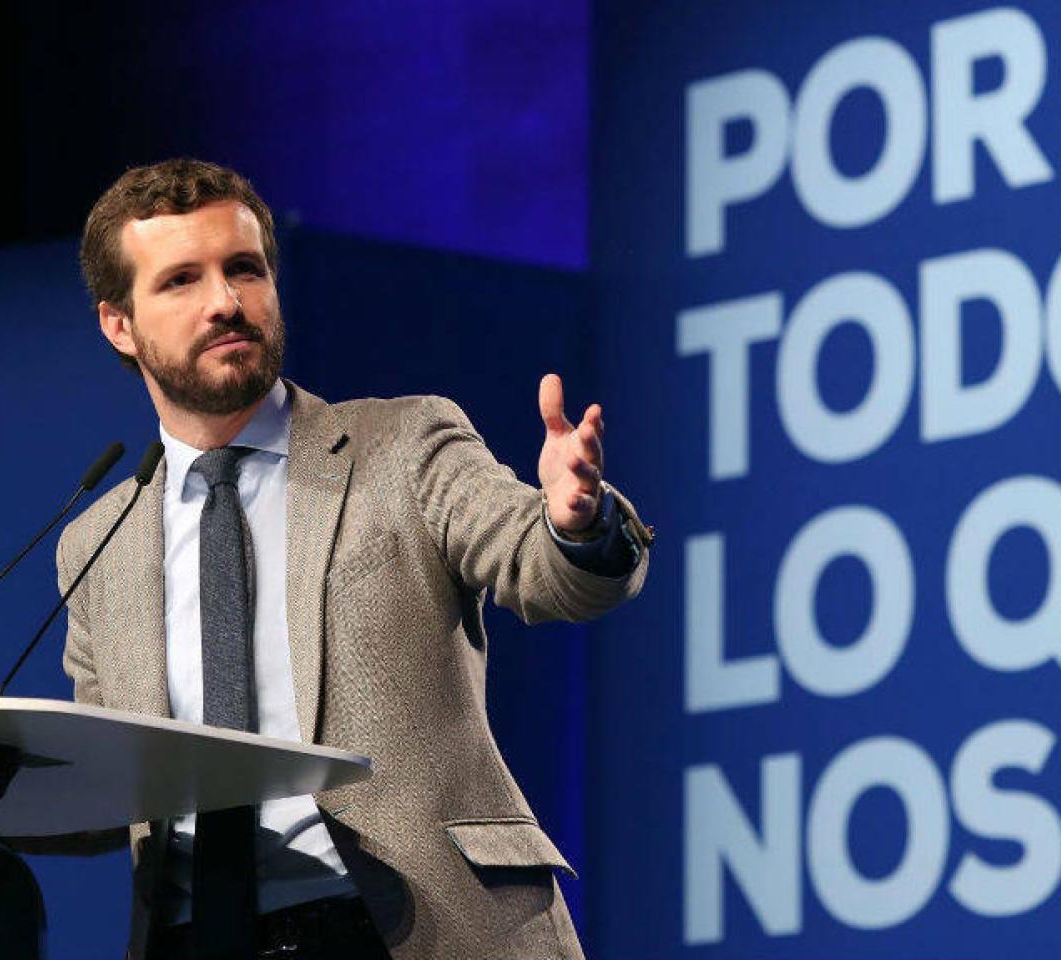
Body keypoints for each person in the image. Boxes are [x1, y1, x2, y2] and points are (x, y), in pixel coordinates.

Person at [56, 158, 650, 960]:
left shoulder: (402, 446)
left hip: (410, 925)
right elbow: (110, 798)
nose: (226, 302)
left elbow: (539, 568)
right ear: (117, 323)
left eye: (244, 269)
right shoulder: (99, 544)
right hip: (198, 936)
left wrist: (575, 525)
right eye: (181, 281)